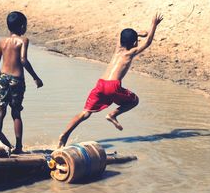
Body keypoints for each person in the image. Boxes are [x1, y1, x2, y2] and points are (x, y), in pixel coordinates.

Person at [58, 13, 163, 148]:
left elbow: (124, 34)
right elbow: (148, 42)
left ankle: (64, 135)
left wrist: (138, 33)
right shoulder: (130, 53)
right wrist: (154, 24)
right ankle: (113, 114)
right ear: (135, 43)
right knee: (134, 100)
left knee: (85, 113)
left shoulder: (117, 48)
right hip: (112, 86)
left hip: (100, 84)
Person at [0, 11, 43, 154]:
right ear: (22, 27)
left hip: (3, 78)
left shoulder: (2, 41)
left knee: (1, 112)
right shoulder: (23, 41)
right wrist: (35, 77)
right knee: (16, 113)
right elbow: (23, 60)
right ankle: (19, 146)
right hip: (16, 80)